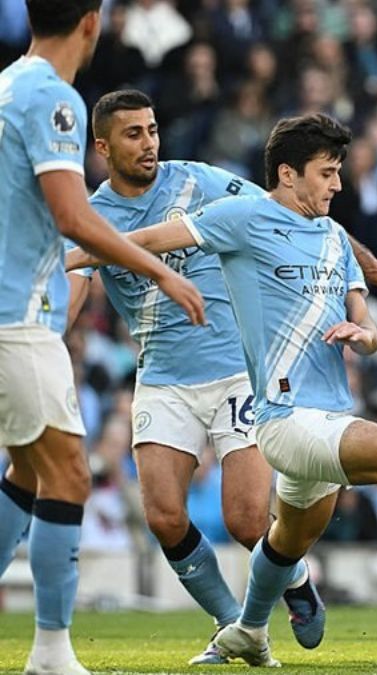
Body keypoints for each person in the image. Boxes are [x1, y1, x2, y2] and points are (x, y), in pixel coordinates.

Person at [67, 113, 377, 667]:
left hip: (328, 414)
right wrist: (67, 255)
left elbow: (367, 326)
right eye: (327, 173)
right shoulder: (242, 217)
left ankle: (248, 631)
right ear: (288, 174)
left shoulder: (333, 238)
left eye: (339, 172)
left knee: (281, 540)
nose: (338, 185)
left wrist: (363, 335)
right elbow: (148, 240)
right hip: (281, 417)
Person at [0, 1, 205, 673]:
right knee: (66, 474)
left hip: (18, 311)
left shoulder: (7, 84)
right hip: (15, 316)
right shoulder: (52, 99)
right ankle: (51, 653)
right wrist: (161, 270)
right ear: (91, 23)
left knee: (28, 470)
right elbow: (72, 215)